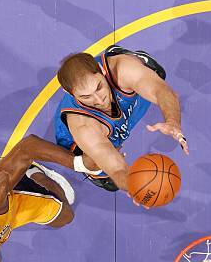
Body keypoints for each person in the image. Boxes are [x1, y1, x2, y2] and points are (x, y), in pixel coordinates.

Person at [54, 45, 188, 192]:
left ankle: (125, 57)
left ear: (102, 70)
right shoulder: (83, 126)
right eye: (86, 97)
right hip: (81, 138)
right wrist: (133, 186)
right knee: (106, 174)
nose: (99, 100)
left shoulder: (121, 69)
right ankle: (93, 173)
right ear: (69, 93)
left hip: (117, 89)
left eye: (99, 87)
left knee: (153, 77)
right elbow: (117, 170)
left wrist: (172, 121)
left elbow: (161, 91)